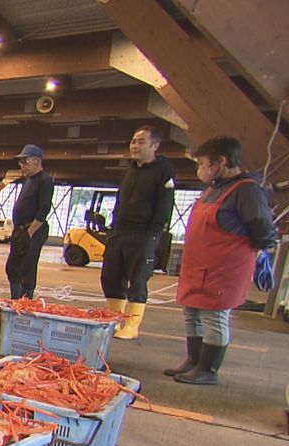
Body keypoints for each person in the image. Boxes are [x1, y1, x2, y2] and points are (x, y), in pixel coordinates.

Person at [164, 136, 276, 385]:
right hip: (198, 266)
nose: (200, 169)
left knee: (214, 317)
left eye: (203, 163)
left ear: (222, 162)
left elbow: (262, 229)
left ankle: (208, 369)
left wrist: (260, 253)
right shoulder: (214, 189)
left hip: (223, 269)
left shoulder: (246, 190)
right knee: (192, 313)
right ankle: (194, 360)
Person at [101, 126, 176, 339]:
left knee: (138, 278)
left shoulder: (163, 172)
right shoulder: (131, 169)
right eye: (133, 141)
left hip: (143, 234)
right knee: (111, 276)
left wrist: (152, 235)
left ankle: (131, 325)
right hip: (119, 232)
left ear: (155, 146)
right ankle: (114, 320)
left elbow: (164, 208)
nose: (134, 146)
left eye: (141, 142)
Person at [6, 144, 55, 299]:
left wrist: (30, 232)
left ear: (36, 161)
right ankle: (15, 300)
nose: (22, 166)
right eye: (20, 163)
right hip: (20, 230)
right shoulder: (28, 181)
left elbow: (44, 208)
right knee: (12, 267)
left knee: (27, 268)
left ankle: (25, 302)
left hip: (33, 230)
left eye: (24, 162)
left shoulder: (45, 180)